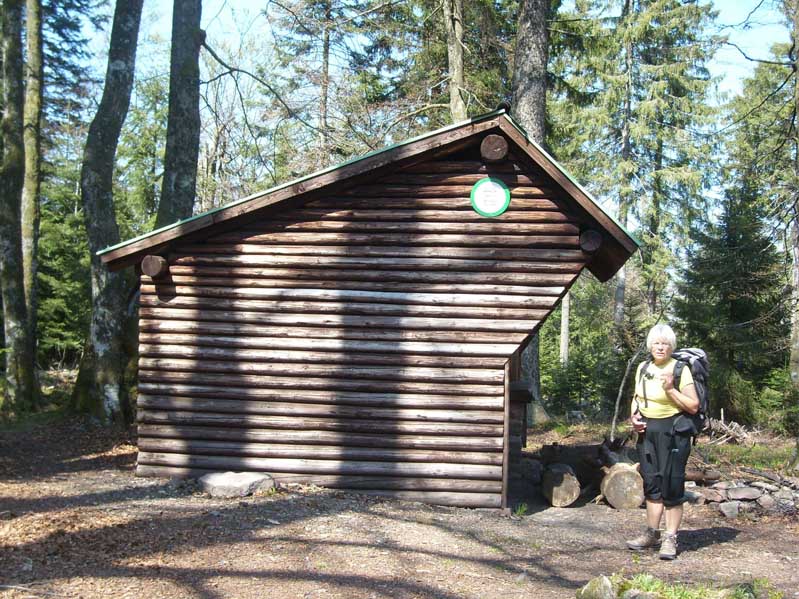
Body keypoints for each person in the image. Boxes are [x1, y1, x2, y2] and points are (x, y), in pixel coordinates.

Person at [625, 324, 699, 560]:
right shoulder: (643, 367)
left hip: (674, 431)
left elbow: (693, 405)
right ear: (650, 345)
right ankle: (651, 533)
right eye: (656, 343)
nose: (660, 347)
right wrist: (634, 418)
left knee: (672, 484)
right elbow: (637, 397)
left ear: (671, 347)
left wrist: (670, 390)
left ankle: (670, 538)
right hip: (648, 431)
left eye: (665, 344)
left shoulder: (680, 369)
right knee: (652, 483)